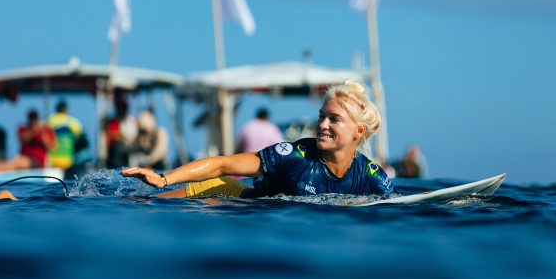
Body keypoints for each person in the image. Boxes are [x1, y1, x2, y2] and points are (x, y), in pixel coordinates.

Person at [121, 80, 395, 199]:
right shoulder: (295, 155)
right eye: (321, 116)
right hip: (233, 196)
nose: (321, 125)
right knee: (146, 205)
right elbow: (222, 166)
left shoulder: (370, 176)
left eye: (333, 119)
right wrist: (164, 179)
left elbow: (402, 205)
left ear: (358, 132)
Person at [0, 109, 55, 175]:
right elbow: (23, 138)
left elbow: (52, 146)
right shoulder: (23, 129)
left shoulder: (45, 130)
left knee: (17, 163)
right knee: (8, 162)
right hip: (23, 158)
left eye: (34, 118)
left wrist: (43, 132)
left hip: (37, 162)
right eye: (31, 118)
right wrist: (34, 130)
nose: (33, 121)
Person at [47, 101, 83, 170]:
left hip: (52, 161)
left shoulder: (49, 120)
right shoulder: (73, 122)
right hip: (67, 161)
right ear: (66, 109)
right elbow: (81, 138)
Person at [105, 98, 138, 168]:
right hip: (115, 152)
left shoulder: (131, 120)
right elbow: (110, 135)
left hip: (128, 149)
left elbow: (129, 136)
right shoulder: (114, 121)